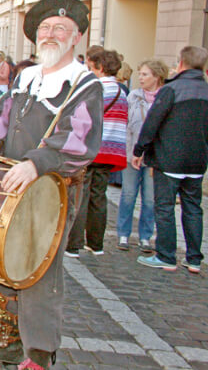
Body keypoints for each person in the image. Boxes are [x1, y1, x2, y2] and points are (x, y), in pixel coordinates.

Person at [0, 0, 104, 369]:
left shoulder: (84, 84)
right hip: (10, 184)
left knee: (39, 269)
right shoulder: (26, 76)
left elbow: (80, 142)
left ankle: (39, 353)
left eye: (60, 29)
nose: (51, 34)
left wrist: (35, 163)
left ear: (76, 38)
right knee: (2, 259)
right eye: (44, 28)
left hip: (52, 191)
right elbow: (3, 115)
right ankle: (8, 341)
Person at [134, 46, 208, 274]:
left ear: (181, 63)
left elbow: (152, 122)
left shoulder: (171, 90)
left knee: (165, 207)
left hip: (170, 158)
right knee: (193, 208)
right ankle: (194, 258)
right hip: (197, 160)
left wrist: (140, 150)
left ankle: (166, 256)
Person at [66, 48, 127, 257]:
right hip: (112, 150)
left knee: (79, 196)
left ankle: (73, 244)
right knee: (99, 196)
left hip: (92, 148)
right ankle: (96, 243)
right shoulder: (121, 91)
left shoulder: (95, 88)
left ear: (99, 67)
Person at [116, 59, 168, 253]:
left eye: (145, 74)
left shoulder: (165, 97)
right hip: (132, 153)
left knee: (150, 198)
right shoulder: (134, 96)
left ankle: (145, 237)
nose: (141, 78)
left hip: (155, 157)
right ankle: (123, 233)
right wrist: (128, 152)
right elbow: (127, 126)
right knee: (128, 194)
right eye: (140, 74)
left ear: (157, 76)